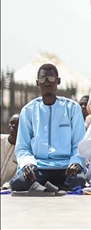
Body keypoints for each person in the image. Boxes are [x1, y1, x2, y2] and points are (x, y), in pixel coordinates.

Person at [10, 63, 86, 192]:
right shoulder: (28, 110)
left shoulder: (72, 108)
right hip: (38, 168)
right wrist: (27, 163)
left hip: (65, 168)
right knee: (18, 183)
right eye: (43, 79)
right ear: (37, 82)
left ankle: (43, 189)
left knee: (78, 181)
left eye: (51, 79)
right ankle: (54, 189)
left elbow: (79, 143)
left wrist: (76, 162)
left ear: (58, 81)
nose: (47, 83)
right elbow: (23, 147)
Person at [1, 115, 20, 189]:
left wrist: (6, 186)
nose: (13, 126)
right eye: (11, 123)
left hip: (6, 189)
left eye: (17, 124)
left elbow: (18, 175)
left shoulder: (25, 150)